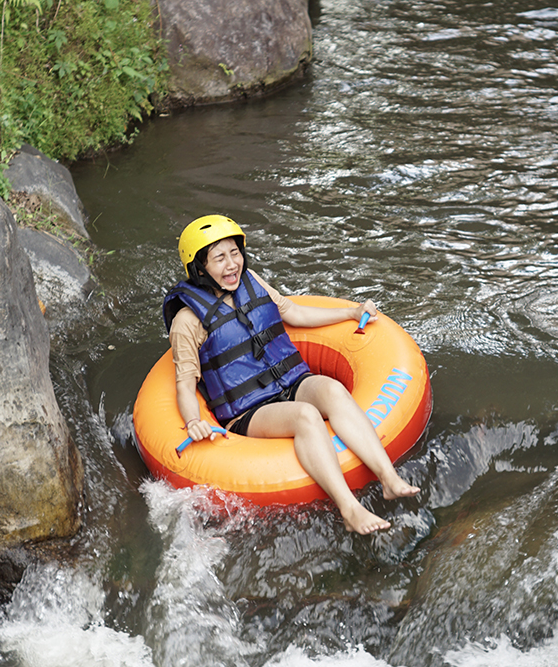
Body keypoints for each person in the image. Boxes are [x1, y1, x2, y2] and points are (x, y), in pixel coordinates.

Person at [163, 214, 420, 535]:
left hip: (291, 380)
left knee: (332, 390)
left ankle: (388, 479)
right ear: (199, 268)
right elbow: (185, 385)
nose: (232, 265)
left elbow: (292, 312)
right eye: (219, 258)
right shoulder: (187, 321)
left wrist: (351, 311)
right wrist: (192, 422)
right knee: (305, 416)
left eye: (234, 253)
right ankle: (350, 510)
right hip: (248, 411)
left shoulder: (251, 280)